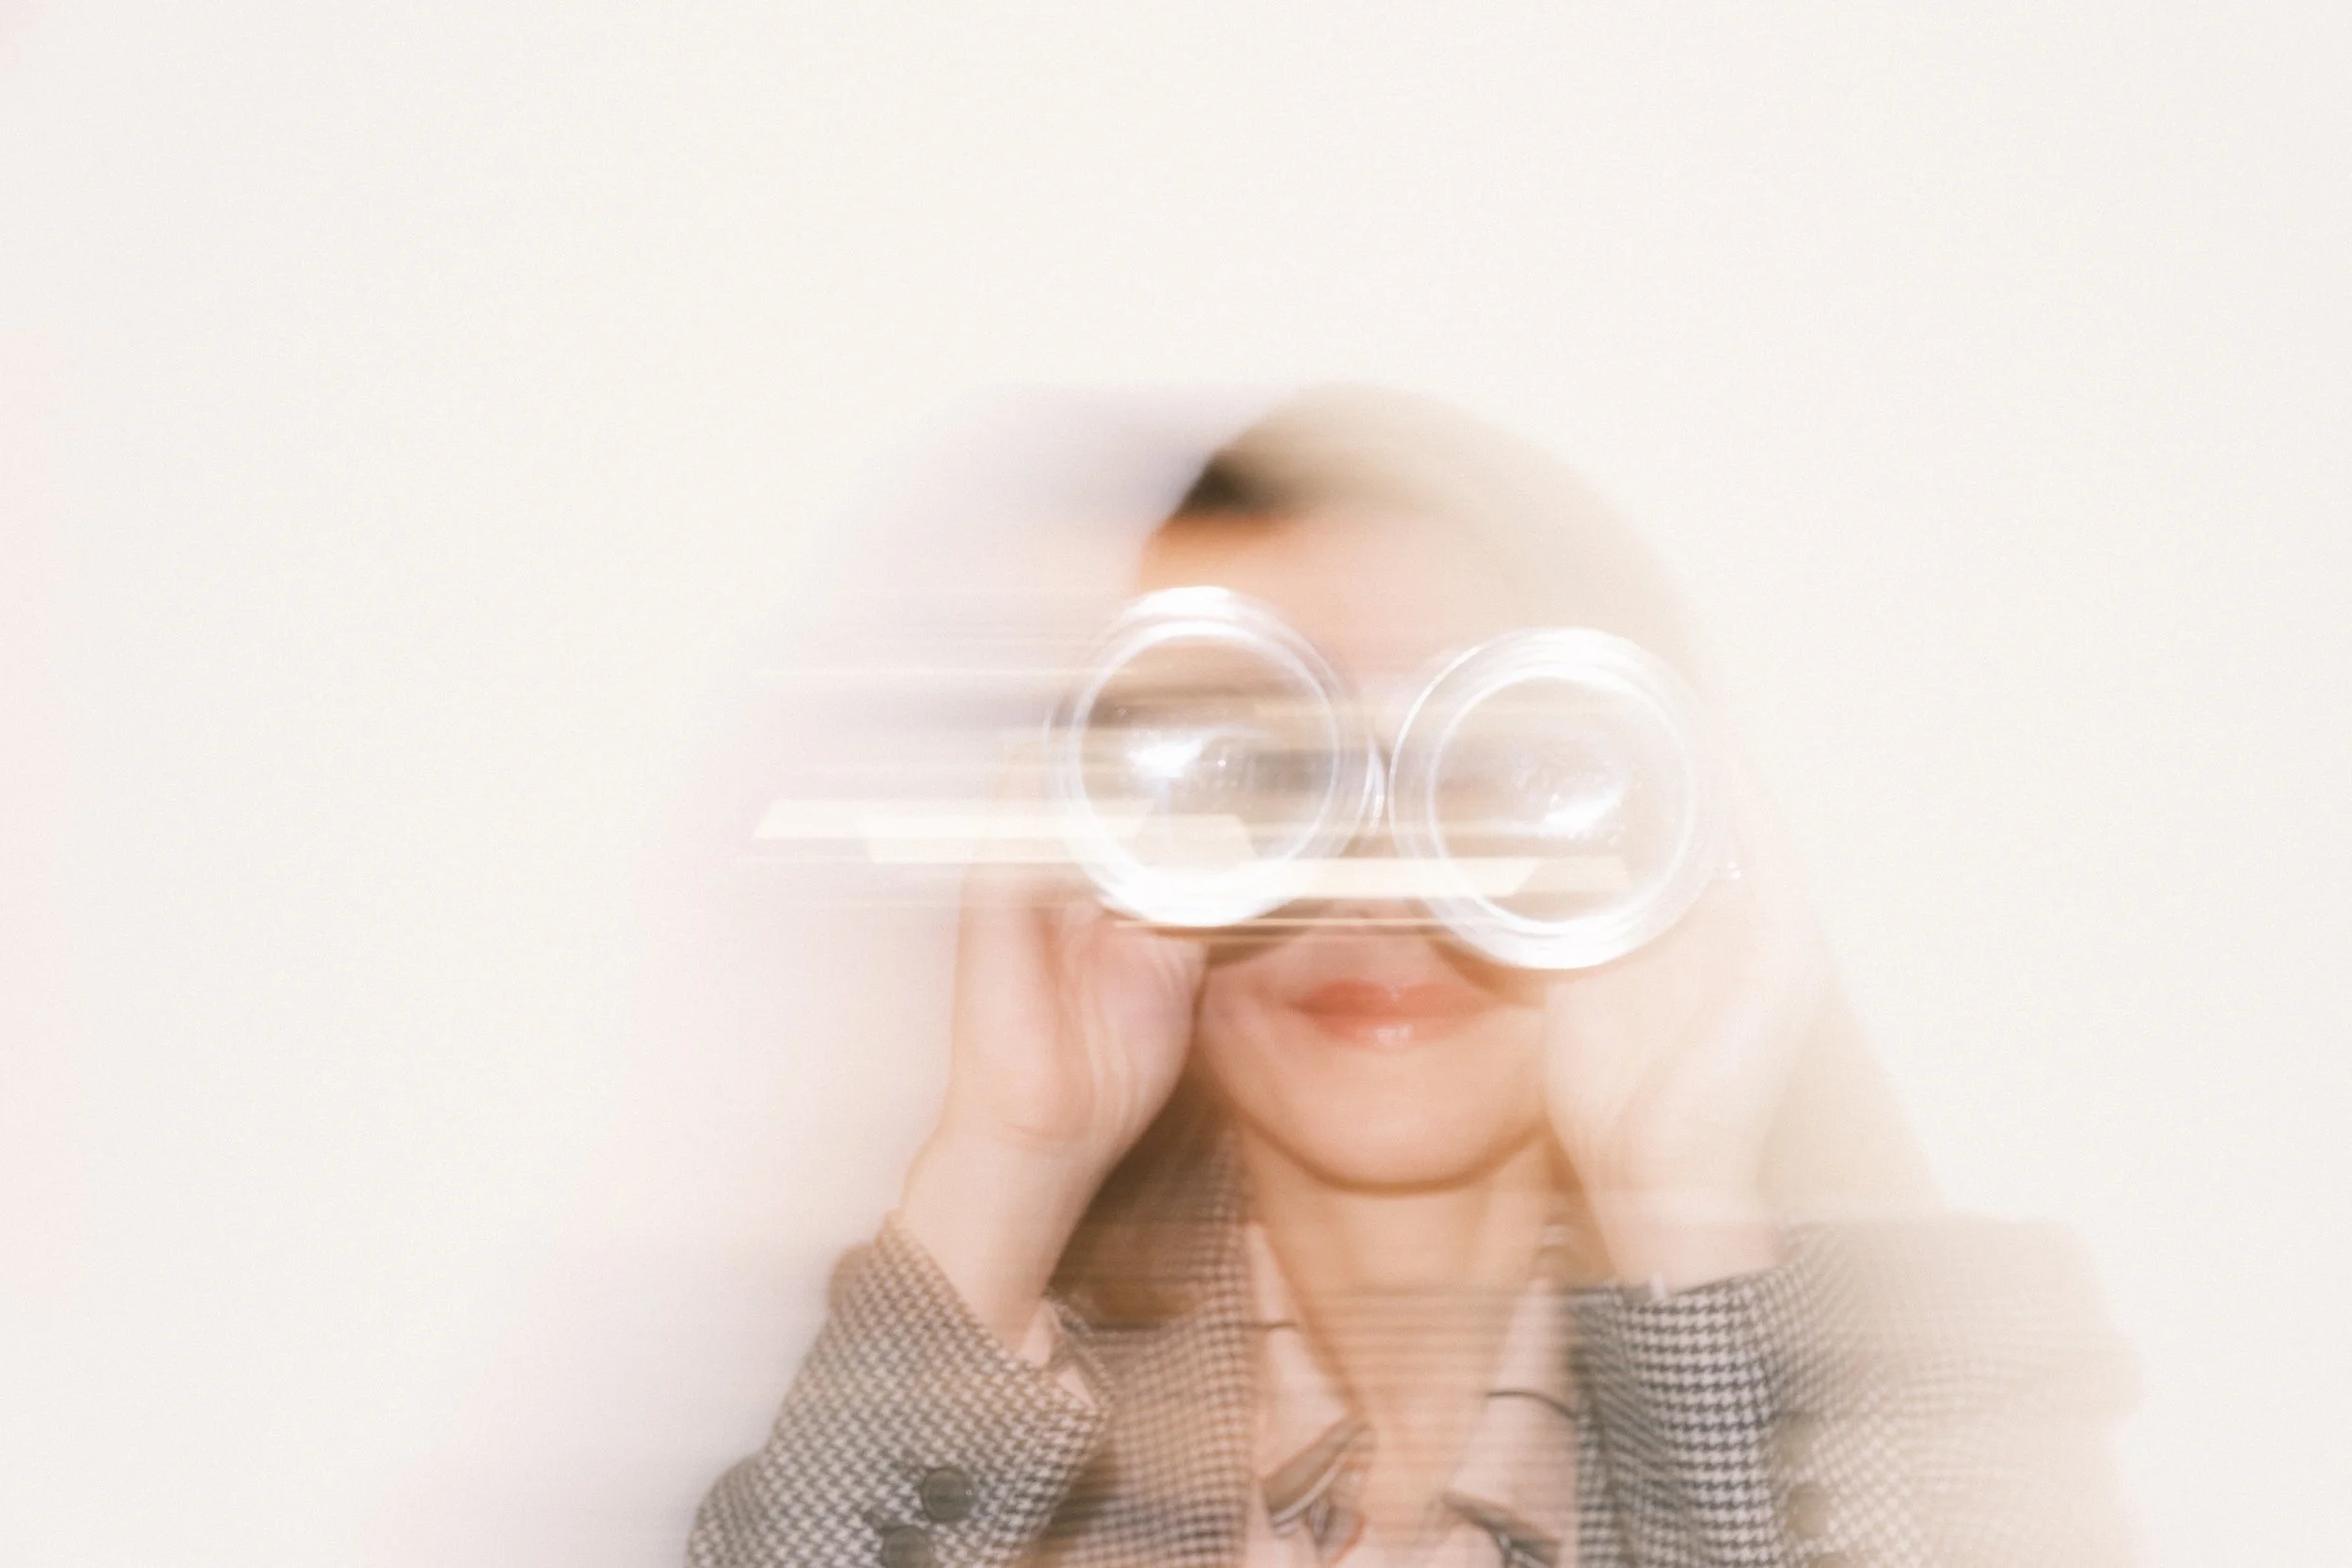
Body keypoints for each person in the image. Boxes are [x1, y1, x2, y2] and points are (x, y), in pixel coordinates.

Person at [685, 390, 2136, 1568]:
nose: (1379, 881)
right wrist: (1005, 1167)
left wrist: (1680, 1206)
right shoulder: (950, 1425)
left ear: (1654, 805)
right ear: (1116, 823)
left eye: (1495, 769)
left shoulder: (1947, 1386)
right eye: (1267, 765)